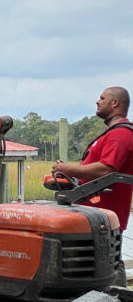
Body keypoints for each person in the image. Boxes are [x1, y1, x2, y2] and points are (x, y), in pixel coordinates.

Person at [52, 86, 133, 286]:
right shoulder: (111, 134)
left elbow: (107, 169)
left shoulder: (121, 134)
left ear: (115, 103)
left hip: (104, 215)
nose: (98, 101)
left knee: (111, 264)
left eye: (102, 98)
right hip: (94, 212)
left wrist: (68, 169)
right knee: (99, 264)